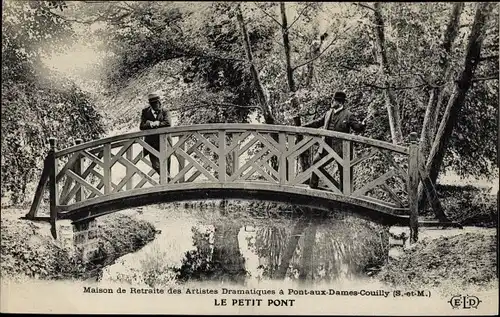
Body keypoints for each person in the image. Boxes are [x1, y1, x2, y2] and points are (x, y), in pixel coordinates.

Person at [303, 91, 367, 191]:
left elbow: (357, 128)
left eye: (334, 100)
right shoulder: (328, 113)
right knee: (316, 163)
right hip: (325, 146)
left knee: (344, 172)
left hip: (341, 149)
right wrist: (303, 127)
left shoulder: (348, 115)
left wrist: (362, 125)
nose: (332, 102)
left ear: (340, 103)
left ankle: (344, 194)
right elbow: (318, 123)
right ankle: (312, 186)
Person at [139, 93, 172, 179]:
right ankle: (168, 179)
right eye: (154, 103)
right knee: (155, 165)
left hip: (165, 142)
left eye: (158, 102)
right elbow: (142, 126)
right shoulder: (145, 112)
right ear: (151, 104)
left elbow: (168, 123)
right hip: (151, 143)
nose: (157, 105)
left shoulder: (165, 111)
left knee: (166, 163)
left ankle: (166, 183)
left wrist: (157, 123)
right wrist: (150, 124)